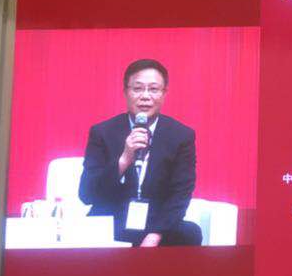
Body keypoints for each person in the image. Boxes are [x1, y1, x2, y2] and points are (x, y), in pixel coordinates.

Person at [79, 59, 202, 246]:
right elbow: (87, 194)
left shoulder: (180, 136)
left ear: (164, 93)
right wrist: (123, 160)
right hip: (112, 219)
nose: (145, 96)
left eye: (153, 89)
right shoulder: (103, 132)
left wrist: (155, 235)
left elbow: (181, 194)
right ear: (125, 92)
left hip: (157, 223)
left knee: (190, 233)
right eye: (137, 89)